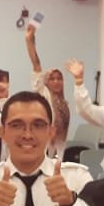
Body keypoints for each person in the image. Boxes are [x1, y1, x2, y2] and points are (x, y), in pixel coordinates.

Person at [22, 23, 71, 161]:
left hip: (59, 149)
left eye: (59, 78)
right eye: (52, 79)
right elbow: (36, 64)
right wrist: (29, 40)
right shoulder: (43, 94)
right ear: (46, 81)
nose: (56, 82)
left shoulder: (63, 102)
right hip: (43, 147)